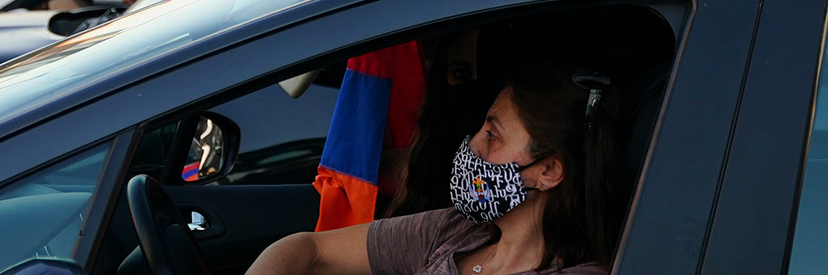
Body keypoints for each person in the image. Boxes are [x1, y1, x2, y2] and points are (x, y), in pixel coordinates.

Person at [249, 64, 628, 275]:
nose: (471, 145)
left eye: (493, 136)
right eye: (482, 127)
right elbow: (307, 249)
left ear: (548, 171)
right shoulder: (458, 232)